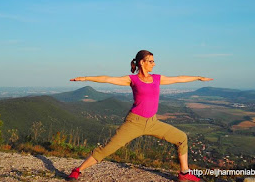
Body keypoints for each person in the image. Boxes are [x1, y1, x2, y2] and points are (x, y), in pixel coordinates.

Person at [67, 50, 213, 182]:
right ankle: (77, 170)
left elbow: (179, 78)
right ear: (142, 62)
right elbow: (107, 79)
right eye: (151, 61)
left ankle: (184, 173)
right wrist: (85, 78)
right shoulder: (132, 79)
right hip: (134, 123)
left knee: (181, 138)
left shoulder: (157, 78)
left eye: (154, 61)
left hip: (153, 122)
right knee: (107, 149)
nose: (154, 64)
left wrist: (198, 78)